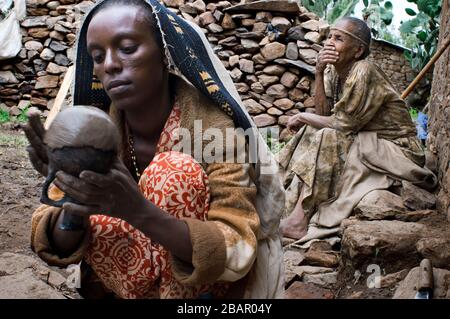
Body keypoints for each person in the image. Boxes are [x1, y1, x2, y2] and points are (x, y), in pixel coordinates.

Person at [25, 0, 284, 299]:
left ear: (163, 53)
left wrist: (137, 210)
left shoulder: (213, 129)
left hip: (201, 292)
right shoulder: (92, 133)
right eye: (98, 56)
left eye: (127, 48)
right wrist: (75, 205)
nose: (109, 64)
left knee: (173, 174)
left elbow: (235, 246)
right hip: (118, 286)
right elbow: (56, 243)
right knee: (99, 193)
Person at [277, 17, 436, 243]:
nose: (330, 43)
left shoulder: (364, 71)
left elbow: (342, 125)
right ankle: (279, 196)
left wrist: (302, 116)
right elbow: (323, 115)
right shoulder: (333, 71)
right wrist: (320, 73)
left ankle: (298, 222)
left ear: (358, 50)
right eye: (330, 36)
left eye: (339, 38)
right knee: (311, 130)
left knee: (327, 134)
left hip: (397, 147)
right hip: (365, 137)